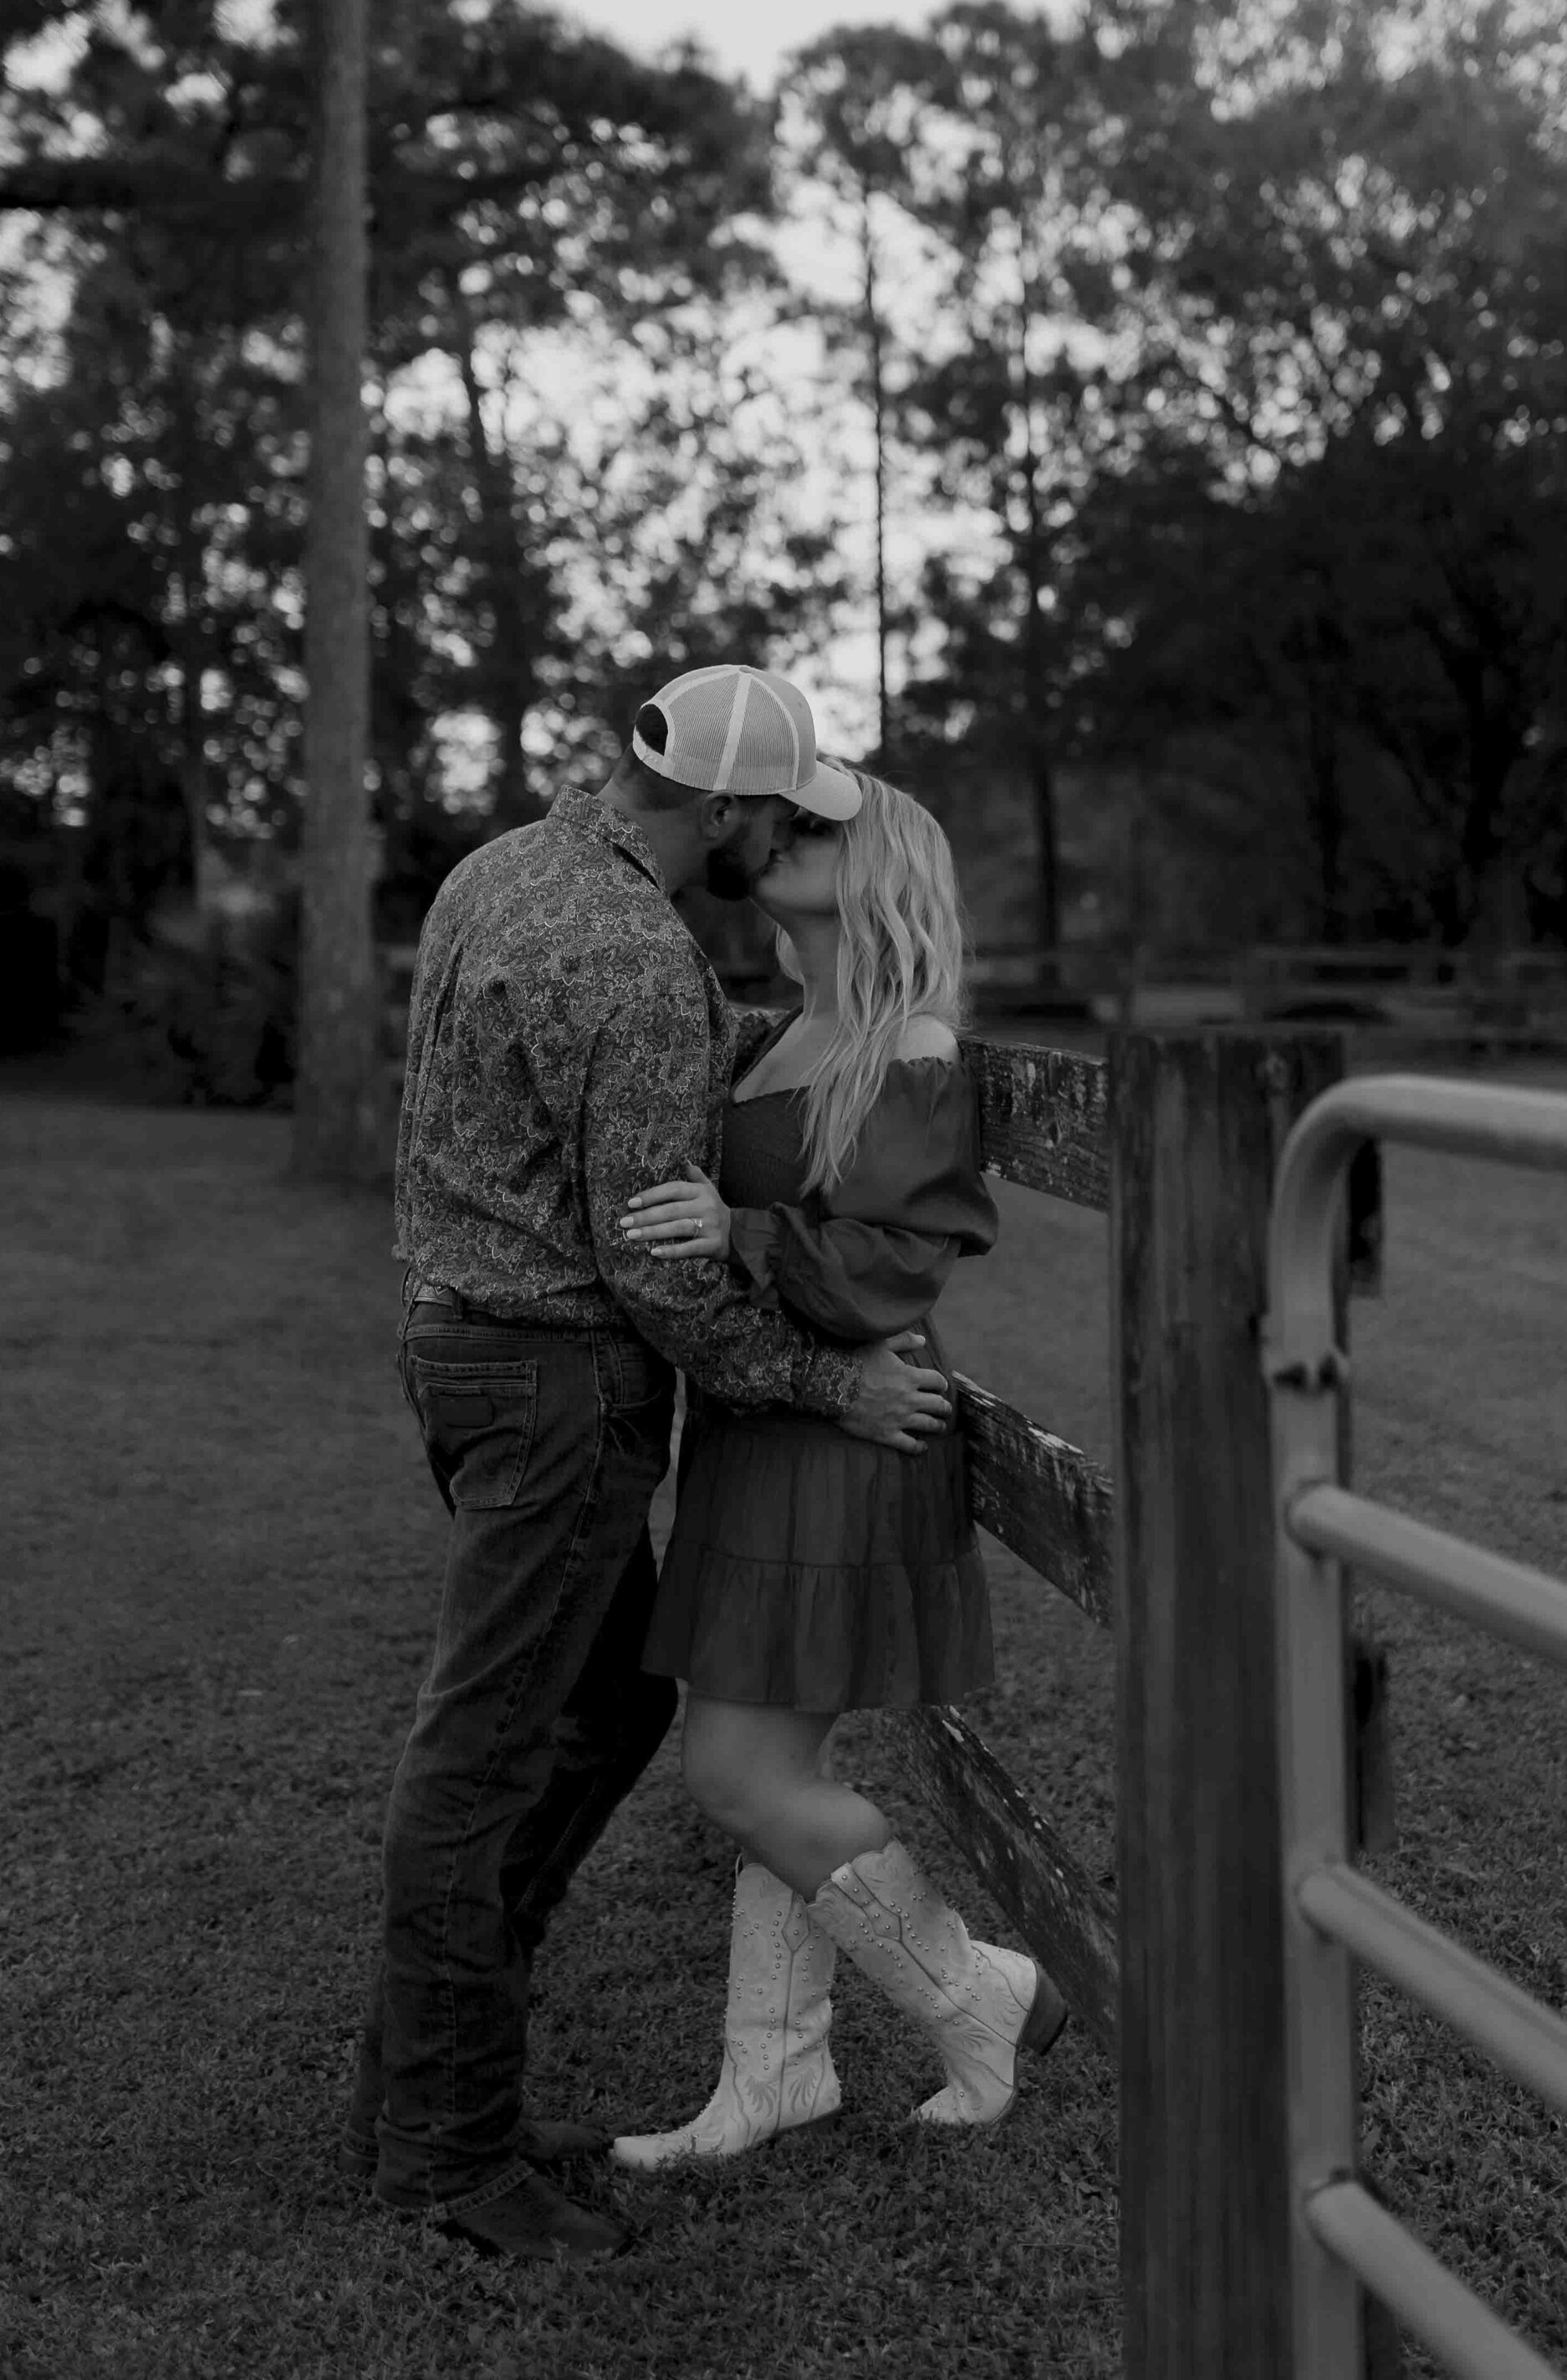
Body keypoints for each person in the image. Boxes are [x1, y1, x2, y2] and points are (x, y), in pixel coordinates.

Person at [344, 664, 952, 2268]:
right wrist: (830, 1380)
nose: (788, 834)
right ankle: (448, 2152)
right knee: (484, 1754)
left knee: (605, 1708)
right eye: (784, 809)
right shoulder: (630, 952)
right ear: (738, 810)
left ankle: (424, 2091)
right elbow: (659, 1272)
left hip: (466, 1349)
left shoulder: (505, 869)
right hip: (555, 1385)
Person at [608, 764, 1067, 2173]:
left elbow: (896, 1262)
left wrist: (737, 1237)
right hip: (760, 1428)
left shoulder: (909, 1040)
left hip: (850, 1433)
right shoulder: (785, 1034)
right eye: (783, 821)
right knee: (779, 1762)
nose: (783, 838)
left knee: (739, 1767)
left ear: (883, 872)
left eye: (819, 829)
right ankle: (776, 2075)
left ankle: (979, 1993)